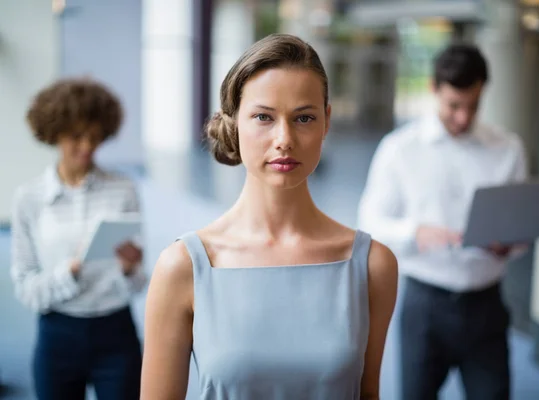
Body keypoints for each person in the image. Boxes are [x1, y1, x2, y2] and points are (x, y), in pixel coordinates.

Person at [141, 33, 398, 399]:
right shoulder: (183, 267)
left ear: (326, 121)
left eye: (304, 118)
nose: (284, 139)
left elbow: (367, 393)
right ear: (234, 122)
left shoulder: (373, 265)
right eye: (263, 116)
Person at [357, 43, 528, 400]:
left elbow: (521, 227)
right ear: (434, 89)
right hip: (425, 308)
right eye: (454, 106)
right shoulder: (399, 148)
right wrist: (415, 231)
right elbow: (369, 222)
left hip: (487, 307)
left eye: (473, 106)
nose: (464, 117)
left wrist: (510, 243)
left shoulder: (508, 148)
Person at [10, 77, 146, 400]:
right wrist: (67, 274)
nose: (87, 147)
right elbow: (25, 288)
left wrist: (129, 269)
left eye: (95, 138)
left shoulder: (123, 189)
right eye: (76, 137)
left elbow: (139, 283)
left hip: (116, 332)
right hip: (58, 334)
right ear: (54, 133)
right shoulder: (29, 199)